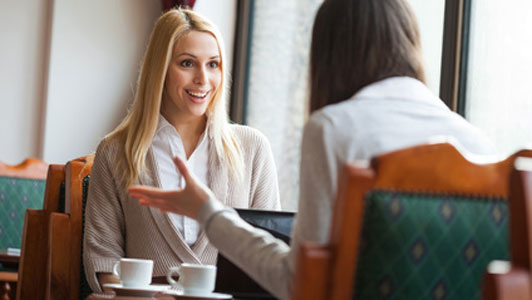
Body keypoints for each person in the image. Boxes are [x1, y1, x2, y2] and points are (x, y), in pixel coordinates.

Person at [128, 0, 496, 299]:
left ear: (330, 54)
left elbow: (298, 282)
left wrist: (208, 213)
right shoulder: (479, 144)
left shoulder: (334, 129)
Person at [83, 7, 281, 292]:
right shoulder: (115, 152)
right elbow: (103, 262)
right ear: (160, 69)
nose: (203, 78)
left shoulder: (253, 149)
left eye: (213, 64)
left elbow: (270, 261)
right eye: (187, 63)